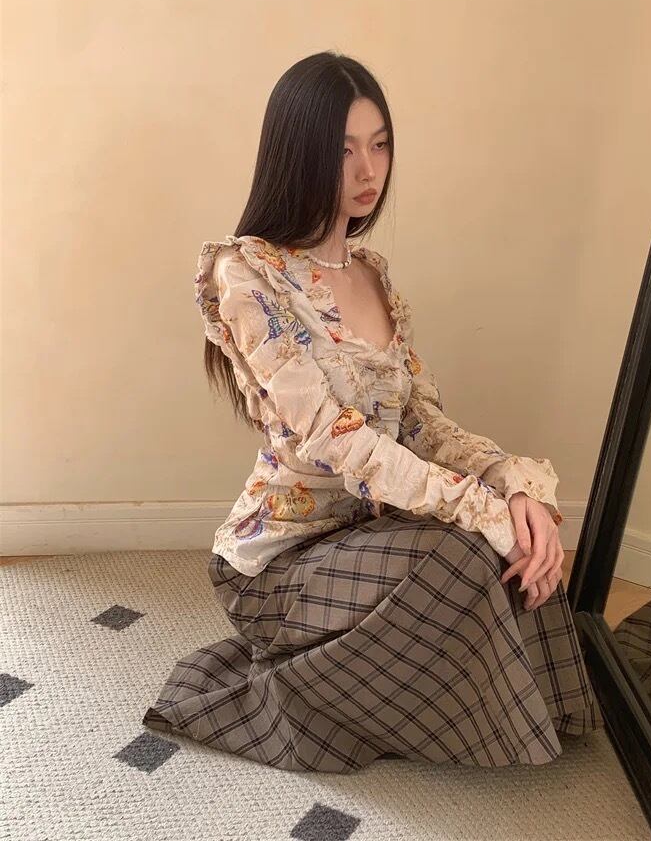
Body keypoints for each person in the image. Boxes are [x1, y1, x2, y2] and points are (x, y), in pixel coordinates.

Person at [142, 51, 604, 773]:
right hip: (277, 566)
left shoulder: (372, 274)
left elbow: (421, 424)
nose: (368, 170)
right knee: (461, 550)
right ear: (298, 152)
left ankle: (520, 701)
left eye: (380, 144)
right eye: (344, 150)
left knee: (499, 535)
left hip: (368, 539)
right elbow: (340, 442)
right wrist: (482, 514)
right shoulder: (247, 274)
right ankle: (328, 695)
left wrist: (513, 489)